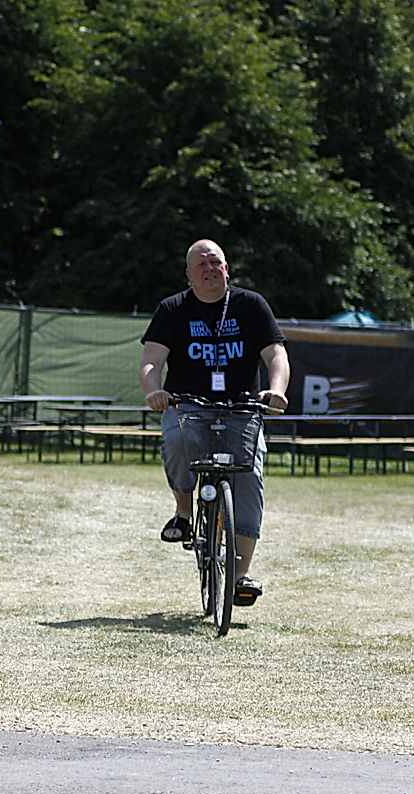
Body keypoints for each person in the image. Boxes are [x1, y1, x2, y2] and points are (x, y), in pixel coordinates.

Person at [139, 239, 290, 606]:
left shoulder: (251, 305)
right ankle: (183, 512)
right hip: (188, 407)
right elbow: (151, 361)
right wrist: (154, 390)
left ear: (227, 268)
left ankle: (240, 575)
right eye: (200, 264)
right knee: (175, 442)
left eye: (215, 262)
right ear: (189, 274)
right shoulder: (173, 309)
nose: (209, 268)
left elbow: (276, 354)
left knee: (249, 476)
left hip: (241, 408)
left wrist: (276, 390)